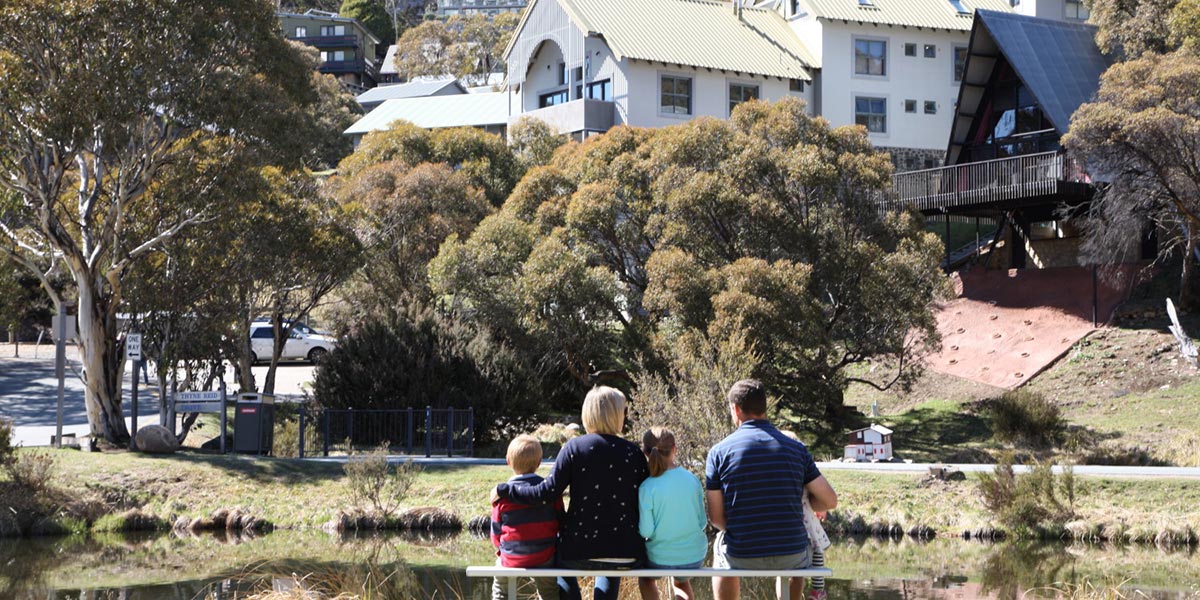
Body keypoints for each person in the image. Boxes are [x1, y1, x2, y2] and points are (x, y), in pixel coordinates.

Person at [494, 386, 648, 600]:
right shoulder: (634, 453)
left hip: (578, 549)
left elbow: (546, 493)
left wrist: (506, 490)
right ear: (615, 414)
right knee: (611, 560)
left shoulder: (574, 448)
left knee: (558, 559)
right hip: (626, 551)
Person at [705, 379, 838, 600]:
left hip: (741, 553)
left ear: (736, 409)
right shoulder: (797, 449)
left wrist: (744, 529)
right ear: (764, 408)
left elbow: (716, 518)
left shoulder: (719, 452)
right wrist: (809, 503)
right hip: (792, 554)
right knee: (792, 550)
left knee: (720, 548)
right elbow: (830, 500)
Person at [636, 427, 707, 600]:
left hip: (659, 559)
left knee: (646, 579)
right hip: (694, 556)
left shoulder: (647, 487)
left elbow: (646, 531)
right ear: (674, 449)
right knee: (682, 581)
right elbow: (702, 522)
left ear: (645, 452)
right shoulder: (692, 480)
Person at [491, 434, 563, 600]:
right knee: (549, 591)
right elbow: (559, 522)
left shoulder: (502, 496)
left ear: (508, 461)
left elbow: (496, 531)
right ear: (539, 463)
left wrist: (500, 549)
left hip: (511, 556)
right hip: (545, 555)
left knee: (500, 590)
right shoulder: (549, 491)